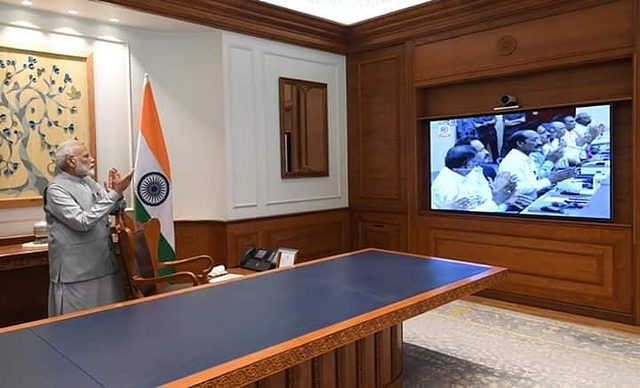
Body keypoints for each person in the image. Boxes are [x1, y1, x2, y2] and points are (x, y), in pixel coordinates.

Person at [44, 139, 134, 316]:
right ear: (71, 161)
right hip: (77, 274)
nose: (92, 160)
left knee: (112, 323)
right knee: (78, 330)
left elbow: (112, 208)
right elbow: (82, 222)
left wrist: (118, 194)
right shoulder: (55, 190)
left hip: (104, 265)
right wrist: (114, 194)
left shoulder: (89, 182)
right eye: (86, 156)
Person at [431, 145, 529, 211]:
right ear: (468, 165)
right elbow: (469, 218)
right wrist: (500, 201)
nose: (478, 166)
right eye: (475, 163)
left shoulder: (467, 173)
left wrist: (502, 194)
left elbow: (484, 199)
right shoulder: (447, 186)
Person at [498, 130, 575, 198]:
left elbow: (535, 180)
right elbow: (518, 188)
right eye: (534, 140)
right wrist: (549, 180)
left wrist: (556, 175)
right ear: (520, 143)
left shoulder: (527, 157)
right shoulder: (513, 161)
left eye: (539, 139)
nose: (540, 143)